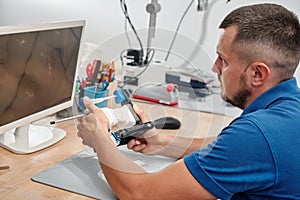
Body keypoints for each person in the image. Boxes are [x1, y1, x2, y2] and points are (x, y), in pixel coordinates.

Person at [76, 3, 300, 199]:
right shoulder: (288, 110)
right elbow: (228, 149)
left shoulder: (256, 135)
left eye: (223, 60)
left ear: (258, 74)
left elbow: (142, 194)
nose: (215, 68)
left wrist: (99, 136)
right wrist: (164, 142)